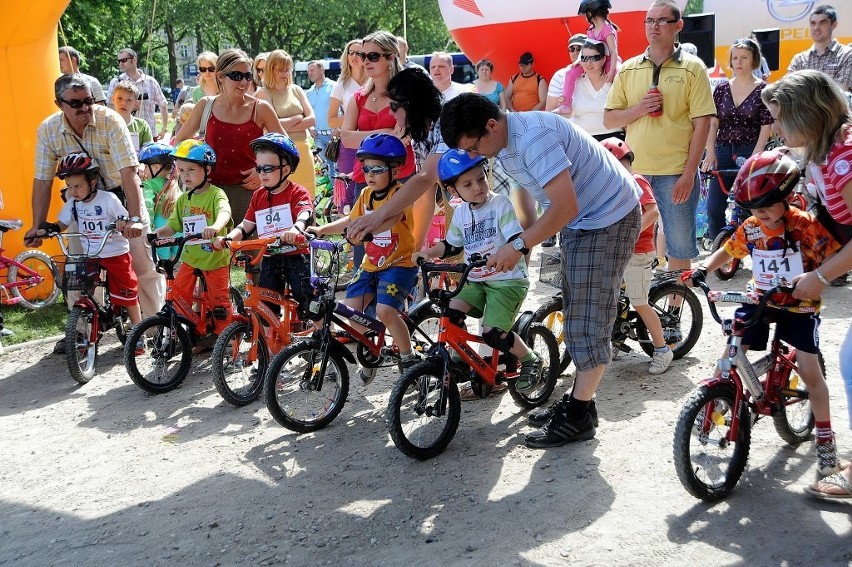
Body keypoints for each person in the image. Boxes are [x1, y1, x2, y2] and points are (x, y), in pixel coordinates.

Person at [682, 150, 843, 488]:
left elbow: (835, 257)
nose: (762, 215)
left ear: (787, 197)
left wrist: (820, 277)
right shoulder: (752, 227)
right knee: (730, 350)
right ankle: (712, 411)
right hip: (760, 300)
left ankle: (826, 442)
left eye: (769, 206)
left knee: (811, 372)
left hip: (799, 305)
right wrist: (703, 268)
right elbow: (730, 250)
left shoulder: (805, 227)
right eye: (755, 209)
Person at [25, 74, 164, 354]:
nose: (84, 108)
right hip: (81, 204)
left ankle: (156, 328)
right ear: (59, 103)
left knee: (142, 265)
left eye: (88, 100)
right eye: (76, 103)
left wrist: (134, 219)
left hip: (120, 197)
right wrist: (37, 225)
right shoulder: (48, 130)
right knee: (78, 269)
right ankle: (81, 330)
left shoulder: (110, 121)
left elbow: (128, 172)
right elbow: (42, 180)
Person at [766, 70, 852, 499]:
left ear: (809, 114)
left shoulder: (844, 159)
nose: (777, 128)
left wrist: (819, 277)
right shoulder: (822, 153)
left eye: (782, 119)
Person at [413, 149, 543, 394]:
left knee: (493, 334)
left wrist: (504, 255)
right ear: (453, 191)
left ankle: (530, 359)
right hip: (476, 280)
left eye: (481, 179)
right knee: (449, 313)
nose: (478, 187)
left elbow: (517, 239)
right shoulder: (461, 212)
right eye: (468, 184)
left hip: (506, 281)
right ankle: (461, 360)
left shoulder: (500, 205)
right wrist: (428, 253)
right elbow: (452, 245)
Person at [604, 0, 715, 278]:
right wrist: (641, 108)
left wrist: (690, 173)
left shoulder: (694, 68)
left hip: (675, 174)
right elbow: (609, 119)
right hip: (634, 174)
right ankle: (641, 311)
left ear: (678, 26)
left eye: (662, 20)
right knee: (630, 243)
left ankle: (675, 314)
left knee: (679, 250)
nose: (654, 26)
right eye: (649, 20)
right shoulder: (628, 69)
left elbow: (702, 123)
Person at [308, 134, 420, 382]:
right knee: (351, 314)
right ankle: (372, 351)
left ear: (395, 169)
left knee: (385, 310)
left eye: (377, 169)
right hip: (370, 265)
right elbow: (350, 220)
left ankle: (408, 355)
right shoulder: (366, 194)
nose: (369, 174)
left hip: (399, 264)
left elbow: (392, 218)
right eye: (366, 168)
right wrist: (321, 229)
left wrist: (369, 230)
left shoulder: (400, 194)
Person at [175, 48, 285, 225]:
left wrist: (263, 170)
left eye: (248, 76)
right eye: (236, 75)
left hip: (249, 193)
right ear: (220, 77)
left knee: (249, 250)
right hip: (208, 193)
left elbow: (287, 148)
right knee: (208, 250)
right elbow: (179, 142)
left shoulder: (261, 108)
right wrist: (195, 168)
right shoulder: (205, 105)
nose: (243, 81)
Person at [215, 133, 313, 317]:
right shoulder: (259, 196)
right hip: (270, 256)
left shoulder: (297, 192)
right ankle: (269, 341)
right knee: (266, 306)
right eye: (259, 169)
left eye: (267, 169)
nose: (262, 174)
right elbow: (246, 225)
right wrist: (228, 238)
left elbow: (304, 214)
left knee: (307, 300)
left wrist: (295, 229)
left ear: (285, 170)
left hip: (296, 256)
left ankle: (318, 336)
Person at [47, 154, 143, 336]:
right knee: (85, 289)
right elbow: (62, 222)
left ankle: (138, 332)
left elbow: (122, 217)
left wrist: (122, 223)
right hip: (91, 255)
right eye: (69, 186)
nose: (73, 191)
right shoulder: (74, 203)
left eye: (78, 186)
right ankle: (89, 328)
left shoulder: (108, 199)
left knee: (128, 293)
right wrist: (50, 228)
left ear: (92, 183)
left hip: (115, 253)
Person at [601, 137, 672, 374]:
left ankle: (662, 349)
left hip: (639, 253)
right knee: (614, 297)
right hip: (620, 253)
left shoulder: (635, 180)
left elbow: (652, 211)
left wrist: (630, 232)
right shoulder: (615, 187)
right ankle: (617, 341)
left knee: (639, 301)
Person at [155, 140, 233, 346]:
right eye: (181, 170)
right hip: (191, 258)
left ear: (207, 170)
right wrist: (154, 235)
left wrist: (216, 227)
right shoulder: (184, 200)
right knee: (179, 296)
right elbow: (172, 225)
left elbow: (225, 211)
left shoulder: (216, 194)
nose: (185, 175)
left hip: (214, 258)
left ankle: (225, 340)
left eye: (191, 169)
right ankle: (189, 333)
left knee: (219, 304)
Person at [701, 38, 773, 241]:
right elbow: (713, 123)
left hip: (750, 149)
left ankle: (748, 248)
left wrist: (756, 156)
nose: (738, 62)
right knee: (714, 207)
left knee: (747, 205)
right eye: (735, 58)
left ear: (753, 60)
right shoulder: (722, 89)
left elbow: (766, 126)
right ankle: (720, 252)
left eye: (744, 58)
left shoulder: (763, 90)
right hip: (723, 149)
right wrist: (710, 151)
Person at [256, 50, 317, 197]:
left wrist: (282, 123)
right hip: (279, 155)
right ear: (271, 70)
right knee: (284, 200)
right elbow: (272, 127)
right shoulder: (264, 93)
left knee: (308, 198)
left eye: (287, 69)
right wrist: (297, 117)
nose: (285, 73)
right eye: (281, 70)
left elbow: (312, 119)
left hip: (303, 151)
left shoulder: (296, 89)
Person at [560, 0, 620, 114]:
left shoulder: (607, 28)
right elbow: (586, 48)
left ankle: (621, 104)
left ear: (590, 13)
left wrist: (612, 71)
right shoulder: (591, 30)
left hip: (608, 61)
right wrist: (578, 61)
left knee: (620, 74)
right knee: (570, 72)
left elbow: (613, 51)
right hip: (591, 60)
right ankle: (566, 104)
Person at [557, 40, 624, 141]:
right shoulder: (574, 82)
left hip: (614, 139)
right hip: (582, 140)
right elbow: (568, 115)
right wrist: (564, 104)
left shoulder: (614, 79)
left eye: (594, 58)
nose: (589, 63)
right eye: (584, 58)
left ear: (603, 59)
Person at [107, 48, 168, 140]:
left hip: (148, 134)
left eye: (123, 60)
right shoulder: (116, 82)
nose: (120, 64)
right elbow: (109, 107)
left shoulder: (151, 81)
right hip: (122, 132)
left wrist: (164, 129)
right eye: (119, 61)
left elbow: (163, 104)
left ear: (134, 60)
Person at [787, 4, 852, 92]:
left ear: (834, 25)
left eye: (823, 22)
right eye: (813, 23)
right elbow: (787, 91)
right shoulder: (799, 59)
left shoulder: (847, 55)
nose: (816, 28)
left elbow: (840, 94)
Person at [328, 40, 367, 183]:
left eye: (359, 53)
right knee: (348, 188)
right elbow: (331, 120)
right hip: (349, 143)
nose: (354, 56)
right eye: (351, 53)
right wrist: (353, 118)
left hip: (371, 141)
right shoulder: (340, 84)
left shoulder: (374, 81)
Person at [139, 142, 182, 260]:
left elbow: (147, 208)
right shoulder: (174, 184)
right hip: (178, 228)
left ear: (157, 167)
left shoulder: (148, 185)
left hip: (160, 230)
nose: (145, 170)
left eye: (147, 166)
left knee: (161, 264)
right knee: (174, 265)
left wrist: (147, 230)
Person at [305, 60, 338, 178]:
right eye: (308, 71)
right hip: (318, 137)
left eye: (312, 70)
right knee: (327, 168)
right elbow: (307, 114)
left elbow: (343, 110)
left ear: (322, 70)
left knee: (337, 168)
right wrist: (310, 128)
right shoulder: (309, 93)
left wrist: (338, 129)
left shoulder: (334, 87)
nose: (309, 73)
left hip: (334, 135)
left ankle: (340, 195)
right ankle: (334, 195)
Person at [546, 34, 587, 113]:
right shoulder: (559, 75)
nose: (575, 52)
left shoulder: (597, 73)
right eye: (572, 49)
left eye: (579, 49)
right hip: (568, 123)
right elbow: (550, 112)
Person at [111, 80, 153, 151]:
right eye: (120, 98)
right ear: (113, 99)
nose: (123, 103)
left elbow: (148, 152)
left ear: (135, 104)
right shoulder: (105, 124)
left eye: (129, 100)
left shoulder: (142, 126)